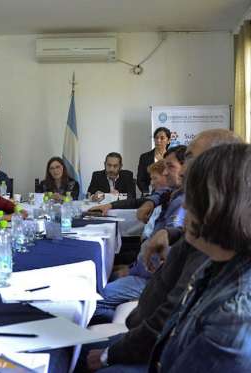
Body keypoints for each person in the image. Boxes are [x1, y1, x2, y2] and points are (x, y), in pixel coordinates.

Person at [144, 144, 251, 372]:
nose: (185, 205)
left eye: (194, 197)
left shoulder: (245, 311)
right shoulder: (230, 259)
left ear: (226, 207)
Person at [82, 129, 242, 372]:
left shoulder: (218, 245)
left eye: (189, 160)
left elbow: (172, 316)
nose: (169, 174)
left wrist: (110, 354)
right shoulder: (191, 215)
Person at [91, 147, 186, 324]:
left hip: (152, 280)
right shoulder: (168, 194)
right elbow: (156, 195)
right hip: (144, 272)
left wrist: (134, 271)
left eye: (170, 167)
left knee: (90, 301)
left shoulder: (182, 204)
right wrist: (150, 201)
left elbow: (163, 255)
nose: (164, 172)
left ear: (186, 168)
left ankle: (128, 325)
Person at [88, 160, 167, 216]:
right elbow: (135, 202)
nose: (151, 183)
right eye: (109, 165)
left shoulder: (127, 175)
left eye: (155, 178)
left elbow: (132, 198)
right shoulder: (97, 175)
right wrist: (109, 205)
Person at [136, 127, 171, 195]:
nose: (158, 140)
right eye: (156, 137)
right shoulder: (145, 157)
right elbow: (140, 179)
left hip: (168, 194)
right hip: (149, 194)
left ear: (168, 140)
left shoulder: (172, 157)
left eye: (162, 138)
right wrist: (146, 192)